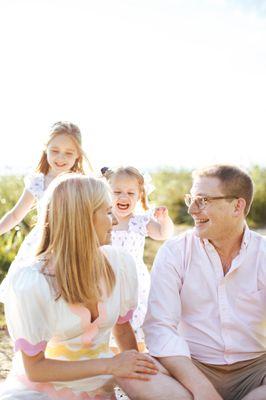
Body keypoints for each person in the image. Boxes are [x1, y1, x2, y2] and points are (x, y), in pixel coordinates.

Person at [0, 174, 158, 400]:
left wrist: (138, 370)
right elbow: (35, 369)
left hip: (100, 389)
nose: (114, 220)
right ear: (82, 219)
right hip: (44, 391)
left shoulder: (119, 263)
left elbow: (122, 330)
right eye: (106, 211)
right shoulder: (32, 282)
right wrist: (111, 365)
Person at [138, 164, 265, 400]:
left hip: (256, 369)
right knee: (132, 373)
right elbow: (159, 327)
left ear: (238, 206)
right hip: (192, 367)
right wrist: (202, 390)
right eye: (191, 199)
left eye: (203, 200)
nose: (192, 209)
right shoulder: (174, 251)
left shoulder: (263, 254)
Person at [0, 121, 92, 302]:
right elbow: (16, 215)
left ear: (78, 155)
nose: (60, 157)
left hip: (72, 244)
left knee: (67, 293)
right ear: (46, 149)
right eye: (55, 150)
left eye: (68, 153)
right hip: (42, 244)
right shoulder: (39, 182)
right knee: (38, 292)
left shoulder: (82, 183)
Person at [102, 166, 174, 351]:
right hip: (106, 279)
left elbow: (161, 234)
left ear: (139, 196)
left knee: (136, 319)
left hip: (134, 282)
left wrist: (164, 220)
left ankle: (138, 353)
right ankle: (112, 358)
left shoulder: (139, 221)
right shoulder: (103, 220)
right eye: (117, 192)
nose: (123, 197)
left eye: (130, 193)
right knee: (108, 321)